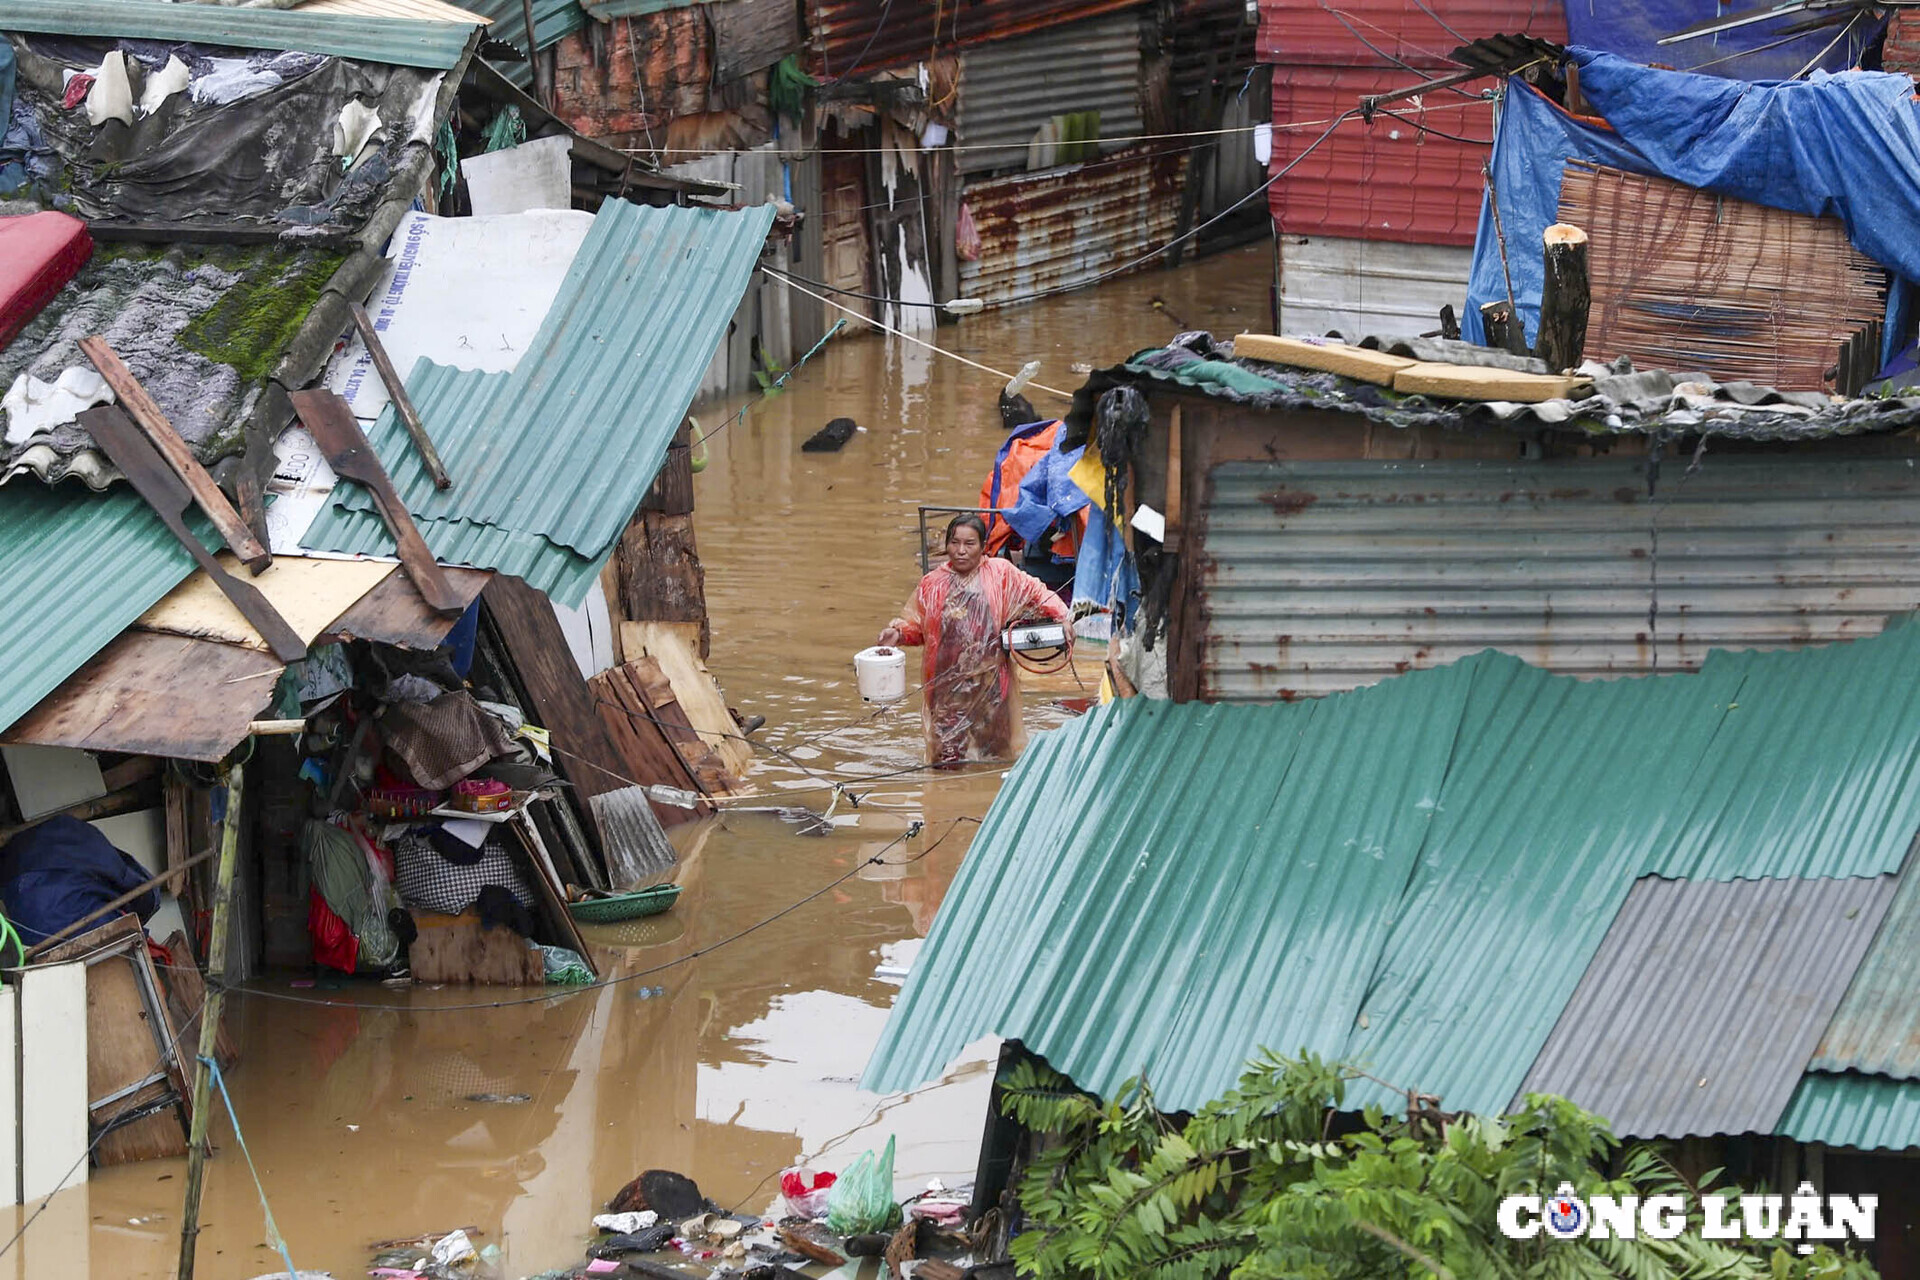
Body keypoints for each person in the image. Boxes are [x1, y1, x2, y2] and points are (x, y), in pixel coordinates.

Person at [879, 514, 1071, 766]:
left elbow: (1038, 593)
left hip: (991, 684)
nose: (960, 551)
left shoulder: (1000, 574)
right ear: (947, 545)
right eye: (954, 543)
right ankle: (946, 801)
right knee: (946, 759)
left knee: (995, 756)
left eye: (969, 544)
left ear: (983, 547)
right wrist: (899, 634)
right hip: (945, 688)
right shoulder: (932, 583)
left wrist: (1064, 617)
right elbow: (922, 629)